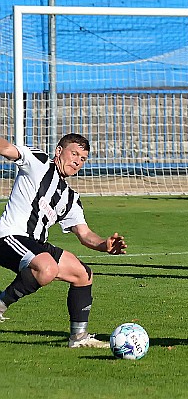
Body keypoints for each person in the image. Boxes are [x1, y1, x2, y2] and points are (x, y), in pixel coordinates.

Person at [0, 133, 127, 347]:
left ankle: (78, 337)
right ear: (59, 151)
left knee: (82, 274)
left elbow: (85, 234)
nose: (77, 161)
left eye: (83, 158)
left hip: (36, 245)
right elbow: (7, 149)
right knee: (47, 268)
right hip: (8, 236)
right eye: (74, 153)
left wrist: (104, 245)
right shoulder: (38, 161)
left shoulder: (70, 198)